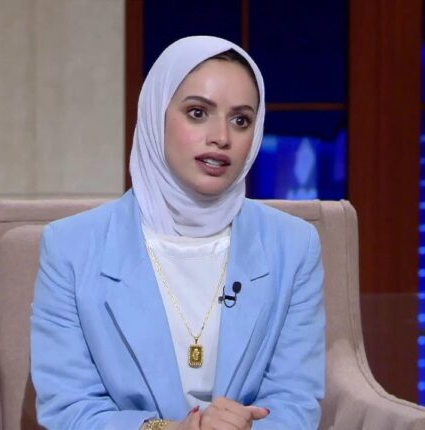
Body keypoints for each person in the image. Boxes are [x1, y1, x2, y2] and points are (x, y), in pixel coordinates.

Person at [30, 35, 326, 430]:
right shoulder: (71, 247)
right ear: (156, 115)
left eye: (241, 120)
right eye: (198, 112)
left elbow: (295, 401)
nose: (221, 137)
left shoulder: (294, 246)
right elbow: (67, 410)